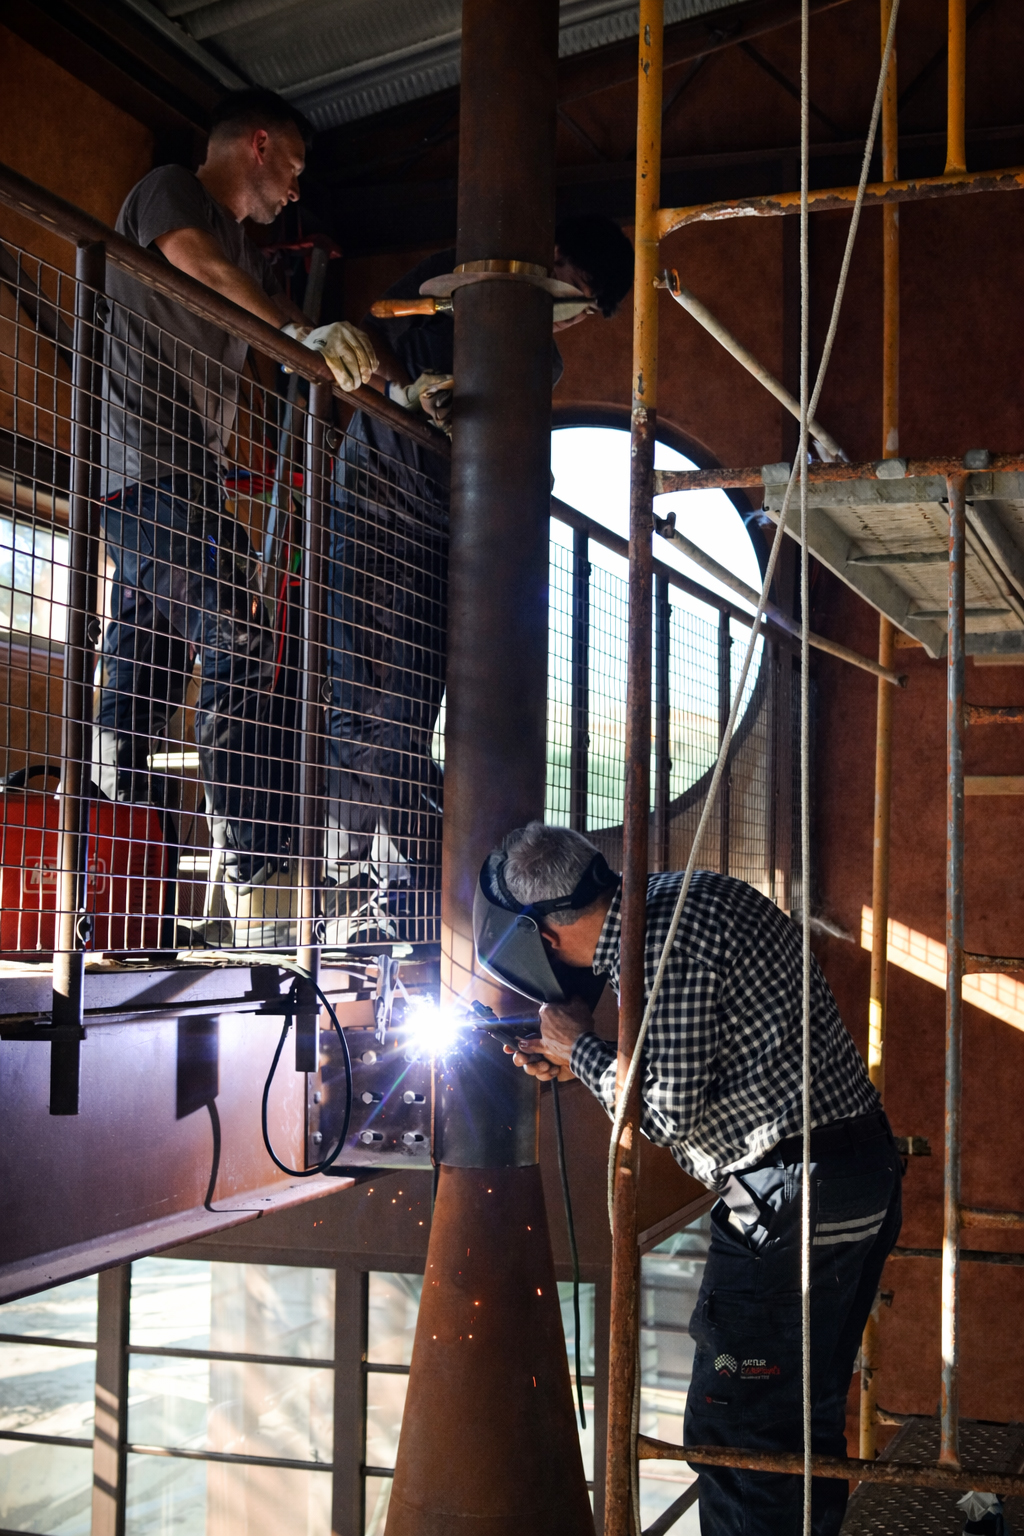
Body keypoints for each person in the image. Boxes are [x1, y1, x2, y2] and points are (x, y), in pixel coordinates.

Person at [475, 821, 901, 1536]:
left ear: (541, 937)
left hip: (789, 1200)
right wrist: (586, 1061)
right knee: (798, 1414)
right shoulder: (683, 898)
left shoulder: (655, 951)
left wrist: (577, 1049)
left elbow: (668, 1115)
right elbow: (697, 1067)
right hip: (854, 1178)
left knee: (734, 1426)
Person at [97, 87, 379, 943]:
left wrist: (327, 349)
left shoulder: (246, 258)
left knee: (138, 678)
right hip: (153, 473)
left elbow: (260, 316)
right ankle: (258, 871)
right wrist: (306, 338)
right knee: (239, 641)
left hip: (176, 481)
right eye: (292, 168)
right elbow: (194, 265)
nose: (294, 189)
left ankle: (122, 885)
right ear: (257, 145)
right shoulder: (171, 190)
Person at [324, 217, 635, 942]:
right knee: (356, 718)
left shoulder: (542, 363)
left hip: (439, 533)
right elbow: (376, 337)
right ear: (557, 258)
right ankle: (355, 888)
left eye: (587, 309)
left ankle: (413, 894)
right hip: (372, 502)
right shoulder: (447, 276)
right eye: (583, 295)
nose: (578, 315)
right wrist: (408, 392)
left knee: (399, 721)